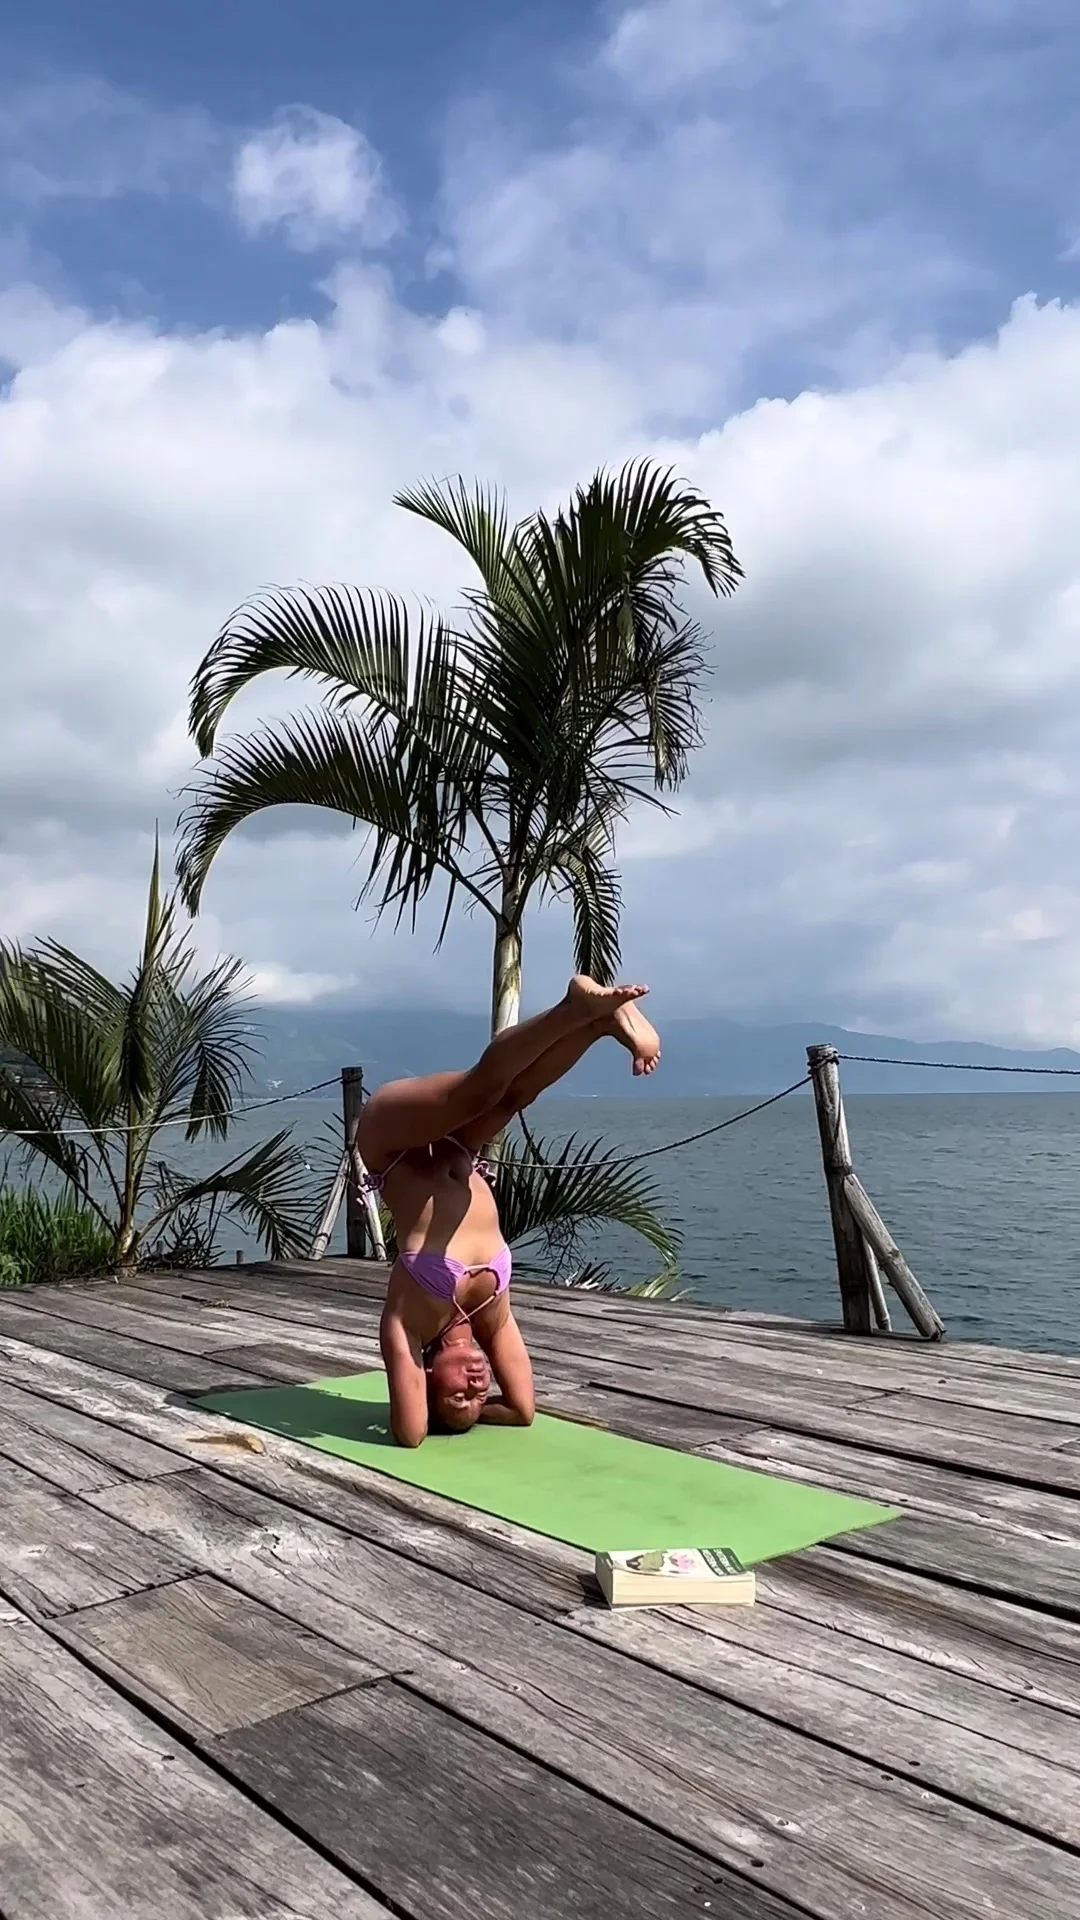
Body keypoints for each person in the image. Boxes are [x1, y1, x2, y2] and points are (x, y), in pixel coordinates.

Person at [357, 975, 661, 1447]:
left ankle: (573, 1007)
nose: (479, 1389)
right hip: (459, 1146)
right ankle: (599, 1024)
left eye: (460, 1397)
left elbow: (412, 1433)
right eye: (479, 1400)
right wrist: (476, 1414)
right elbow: (522, 1411)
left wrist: (435, 1414)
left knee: (477, 1092)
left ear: (429, 1374)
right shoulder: (488, 1313)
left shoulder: (409, 1324)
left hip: (388, 1140)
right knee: (515, 1096)